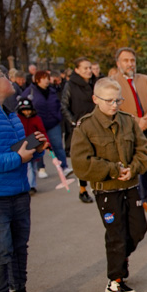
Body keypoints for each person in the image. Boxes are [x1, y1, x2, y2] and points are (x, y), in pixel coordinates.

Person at [71, 78, 147, 292]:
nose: (114, 105)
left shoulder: (128, 121)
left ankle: (120, 260)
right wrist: (113, 170)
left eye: (118, 100)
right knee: (116, 234)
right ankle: (115, 280)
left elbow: (144, 152)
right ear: (95, 99)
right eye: (109, 100)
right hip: (107, 190)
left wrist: (133, 168)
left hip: (131, 185)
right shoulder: (86, 126)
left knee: (138, 230)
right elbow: (80, 163)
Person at [0, 65, 51, 292]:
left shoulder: (12, 115)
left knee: (19, 246)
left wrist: (35, 148)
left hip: (19, 191)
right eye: (3, 76)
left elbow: (22, 152)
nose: (10, 79)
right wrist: (19, 158)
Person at [112, 48, 147, 213]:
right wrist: (138, 121)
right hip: (128, 132)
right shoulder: (113, 82)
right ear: (118, 63)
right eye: (126, 60)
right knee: (132, 166)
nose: (130, 64)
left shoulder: (145, 80)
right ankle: (134, 201)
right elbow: (116, 108)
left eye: (132, 60)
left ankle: (145, 198)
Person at [21, 70, 71, 179]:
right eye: (44, 78)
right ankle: (41, 168)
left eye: (48, 78)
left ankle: (64, 166)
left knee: (57, 145)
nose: (47, 81)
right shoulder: (30, 92)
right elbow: (22, 105)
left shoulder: (52, 91)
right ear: (38, 80)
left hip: (52, 123)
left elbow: (58, 104)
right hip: (37, 125)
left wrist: (57, 116)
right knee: (39, 147)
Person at [61, 57, 97, 204]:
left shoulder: (95, 83)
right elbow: (64, 106)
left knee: (97, 157)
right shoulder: (70, 85)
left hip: (96, 125)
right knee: (83, 159)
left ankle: (98, 187)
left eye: (90, 68)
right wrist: (74, 122)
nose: (89, 71)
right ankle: (83, 189)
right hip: (80, 128)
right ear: (77, 70)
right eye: (85, 68)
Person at [15, 99, 47, 193]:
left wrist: (46, 142)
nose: (27, 112)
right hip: (23, 145)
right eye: (24, 110)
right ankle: (30, 185)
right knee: (28, 166)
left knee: (33, 166)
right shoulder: (18, 119)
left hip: (34, 145)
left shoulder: (36, 119)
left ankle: (32, 184)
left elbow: (42, 131)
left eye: (28, 110)